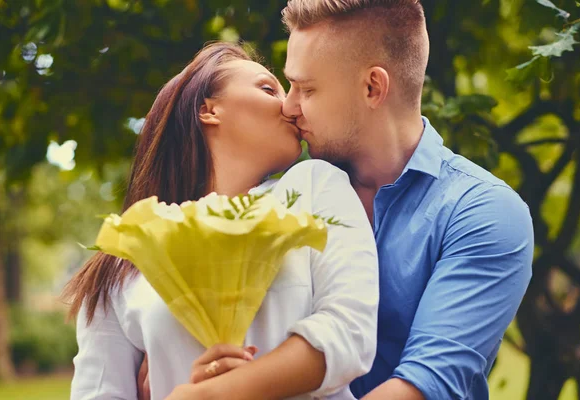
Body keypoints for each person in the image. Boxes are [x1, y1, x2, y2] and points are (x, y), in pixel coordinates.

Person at [63, 42, 379, 400]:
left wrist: (215, 393)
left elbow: (350, 333)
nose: (291, 106)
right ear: (209, 110)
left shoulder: (314, 187)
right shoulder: (126, 259)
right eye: (267, 88)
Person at [279, 0, 534, 399]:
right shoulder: (288, 195)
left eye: (306, 89)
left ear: (372, 87)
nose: (288, 106)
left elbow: (425, 384)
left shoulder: (483, 213)